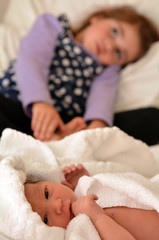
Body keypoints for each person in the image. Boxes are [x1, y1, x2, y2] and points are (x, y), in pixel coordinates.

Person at [0, 6, 159, 142]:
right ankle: (33, 146)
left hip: (62, 124)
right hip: (15, 101)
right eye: (115, 32)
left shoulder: (107, 70)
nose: (110, 45)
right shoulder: (52, 27)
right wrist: (40, 103)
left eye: (118, 53)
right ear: (97, 17)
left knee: (151, 118)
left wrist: (96, 125)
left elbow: (102, 98)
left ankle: (52, 142)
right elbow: (32, 59)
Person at [24, 163, 159, 240]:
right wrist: (96, 217)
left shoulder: (82, 190)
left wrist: (82, 181)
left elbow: (119, 187)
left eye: (46, 193)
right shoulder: (79, 232)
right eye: (46, 219)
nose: (57, 205)